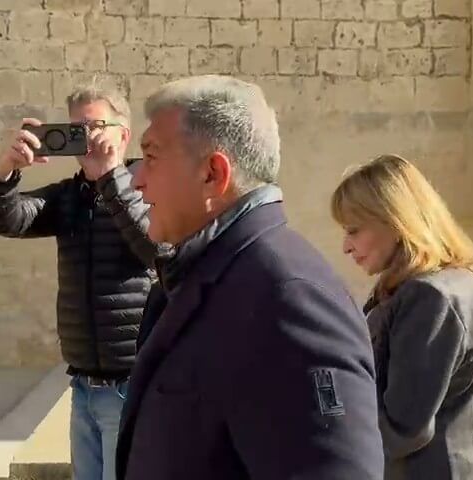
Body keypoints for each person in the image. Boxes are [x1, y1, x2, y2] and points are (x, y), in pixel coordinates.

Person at [116, 75, 384, 480]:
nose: (136, 179)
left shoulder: (287, 298)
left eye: (151, 157)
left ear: (213, 173)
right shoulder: (216, 274)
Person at [0, 82, 159, 480]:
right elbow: (7, 218)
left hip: (130, 387)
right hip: (84, 387)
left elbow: (154, 247)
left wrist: (109, 178)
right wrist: (4, 169)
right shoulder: (69, 196)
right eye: (76, 129)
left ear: (123, 134)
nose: (84, 138)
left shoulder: (148, 187)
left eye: (94, 126)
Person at [330, 154, 473, 480]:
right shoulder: (465, 280)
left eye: (354, 230)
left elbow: (402, 427)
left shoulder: (431, 298)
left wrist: (327, 416)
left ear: (395, 221)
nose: (346, 246)